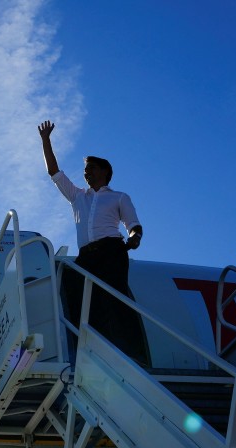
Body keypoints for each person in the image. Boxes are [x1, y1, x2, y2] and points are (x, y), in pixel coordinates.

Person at [39, 119, 149, 364]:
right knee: (73, 288)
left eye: (90, 168)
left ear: (104, 172)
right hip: (87, 255)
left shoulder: (119, 197)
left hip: (112, 250)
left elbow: (133, 225)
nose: (86, 173)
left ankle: (134, 354)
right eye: (85, 169)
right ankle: (85, 348)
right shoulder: (78, 197)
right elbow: (54, 172)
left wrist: (134, 239)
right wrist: (45, 140)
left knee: (116, 297)